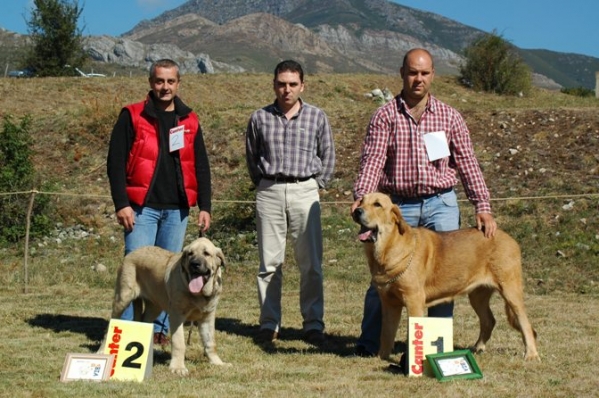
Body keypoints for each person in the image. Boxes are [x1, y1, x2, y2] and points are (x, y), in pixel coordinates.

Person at [351, 48, 497, 357]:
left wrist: (482, 205)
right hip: (398, 208)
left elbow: (468, 163)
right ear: (402, 73)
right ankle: (371, 345)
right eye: (413, 72)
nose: (419, 79)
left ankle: (435, 346)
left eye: (425, 73)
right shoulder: (385, 116)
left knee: (444, 279)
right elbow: (372, 162)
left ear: (433, 75)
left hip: (441, 204)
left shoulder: (450, 116)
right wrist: (361, 197)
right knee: (384, 276)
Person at [107, 58, 212, 346]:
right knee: (136, 274)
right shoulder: (132, 115)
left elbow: (200, 165)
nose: (164, 87)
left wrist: (205, 205)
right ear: (151, 82)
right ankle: (126, 333)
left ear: (178, 84)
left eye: (170, 81)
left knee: (171, 275)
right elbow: (115, 162)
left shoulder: (189, 119)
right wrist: (121, 203)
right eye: (159, 81)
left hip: (177, 210)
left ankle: (159, 331)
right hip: (140, 209)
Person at [245, 60, 335, 346]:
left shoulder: (317, 117)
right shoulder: (259, 118)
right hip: (269, 191)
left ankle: (313, 324)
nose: (287, 89)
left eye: (292, 84)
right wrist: (262, 183)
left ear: (302, 86)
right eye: (282, 84)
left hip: (304, 191)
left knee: (311, 264)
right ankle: (269, 323)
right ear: (274, 85)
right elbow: (251, 155)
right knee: (269, 263)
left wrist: (317, 185)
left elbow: (328, 155)